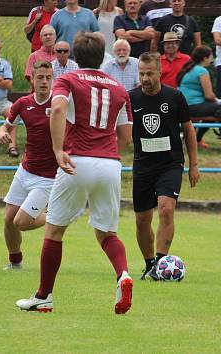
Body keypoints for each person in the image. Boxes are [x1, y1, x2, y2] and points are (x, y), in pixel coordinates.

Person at [15, 32, 134, 314]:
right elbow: (126, 135)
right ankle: (123, 274)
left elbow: (57, 109)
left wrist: (58, 150)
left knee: (55, 231)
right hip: (110, 164)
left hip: (77, 161)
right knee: (107, 233)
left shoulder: (67, 79)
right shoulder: (119, 88)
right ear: (102, 54)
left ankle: (43, 296)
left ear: (76, 57)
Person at [131, 51, 199, 280]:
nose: (145, 78)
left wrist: (194, 164)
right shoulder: (131, 98)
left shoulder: (175, 97)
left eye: (150, 73)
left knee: (166, 209)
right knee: (142, 220)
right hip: (142, 165)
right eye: (141, 74)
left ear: (160, 72)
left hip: (170, 163)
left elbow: (189, 130)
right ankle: (149, 263)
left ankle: (161, 264)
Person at [0, 61, 58, 271]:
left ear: (53, 79)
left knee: (20, 222)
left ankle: (55, 215)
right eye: (40, 77)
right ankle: (15, 262)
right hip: (25, 171)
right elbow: (5, 127)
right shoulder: (23, 103)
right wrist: (3, 133)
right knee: (8, 219)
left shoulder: (60, 103)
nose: (44, 81)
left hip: (48, 177)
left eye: (48, 78)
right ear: (32, 79)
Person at [176, 45, 218, 148]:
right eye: (211, 56)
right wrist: (218, 100)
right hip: (193, 107)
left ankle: (192, 138)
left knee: (216, 109)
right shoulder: (202, 71)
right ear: (205, 58)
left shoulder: (188, 68)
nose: (212, 59)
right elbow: (209, 96)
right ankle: (197, 139)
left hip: (183, 106)